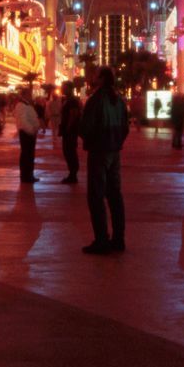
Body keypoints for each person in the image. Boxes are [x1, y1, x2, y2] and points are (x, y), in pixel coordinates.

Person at [79, 68, 128, 253]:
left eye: (96, 74)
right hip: (114, 151)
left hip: (99, 151)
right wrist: (116, 142)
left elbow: (86, 127)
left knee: (96, 195)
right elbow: (125, 127)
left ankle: (101, 239)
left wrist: (88, 139)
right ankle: (118, 239)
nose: (93, 76)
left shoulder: (96, 100)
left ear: (101, 79)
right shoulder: (119, 101)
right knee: (115, 194)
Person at [12, 88, 41, 184]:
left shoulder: (26, 105)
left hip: (29, 133)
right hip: (26, 133)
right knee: (27, 154)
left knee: (29, 154)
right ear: (24, 95)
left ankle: (29, 174)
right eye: (29, 94)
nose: (31, 96)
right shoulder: (21, 105)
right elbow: (23, 121)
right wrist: (31, 130)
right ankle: (26, 175)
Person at [58, 80, 83, 184]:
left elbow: (74, 114)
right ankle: (72, 174)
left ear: (69, 88)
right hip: (68, 131)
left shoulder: (72, 100)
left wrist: (68, 127)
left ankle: (73, 174)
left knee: (70, 152)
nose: (62, 89)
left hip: (70, 131)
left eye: (63, 87)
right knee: (68, 152)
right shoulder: (67, 99)